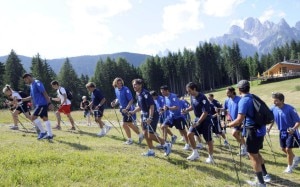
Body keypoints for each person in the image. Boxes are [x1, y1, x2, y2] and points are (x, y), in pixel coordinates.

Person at [227, 80, 270, 187]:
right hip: (260, 129)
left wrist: (227, 125)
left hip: (253, 131)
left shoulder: (244, 100)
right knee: (256, 153)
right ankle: (265, 175)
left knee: (253, 156)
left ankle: (261, 183)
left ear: (239, 89)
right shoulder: (253, 96)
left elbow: (239, 119)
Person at [128, 79, 171, 157]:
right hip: (144, 116)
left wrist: (150, 118)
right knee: (145, 133)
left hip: (152, 115)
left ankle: (166, 144)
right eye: (133, 84)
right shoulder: (137, 94)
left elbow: (151, 106)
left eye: (136, 84)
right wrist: (133, 112)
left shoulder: (145, 93)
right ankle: (151, 151)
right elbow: (140, 106)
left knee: (150, 135)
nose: (134, 86)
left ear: (140, 85)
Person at [268, 92, 300, 173]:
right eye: (273, 101)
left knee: (288, 149)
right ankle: (295, 158)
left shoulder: (290, 109)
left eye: (276, 101)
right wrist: (270, 127)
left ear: (282, 100)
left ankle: (289, 168)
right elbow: (272, 118)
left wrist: (293, 129)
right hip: (281, 131)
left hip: (291, 132)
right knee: (283, 148)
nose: (274, 102)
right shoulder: (273, 108)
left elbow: (298, 122)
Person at [183, 82, 214, 163]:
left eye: (189, 91)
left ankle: (210, 157)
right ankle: (195, 153)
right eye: (187, 91)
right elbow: (192, 106)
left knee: (208, 140)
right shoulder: (192, 97)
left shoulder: (202, 97)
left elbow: (205, 112)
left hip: (206, 120)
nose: (188, 93)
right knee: (189, 134)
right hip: (197, 119)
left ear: (194, 89)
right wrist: (186, 110)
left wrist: (198, 122)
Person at [111, 77, 144, 145]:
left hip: (128, 109)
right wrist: (114, 102)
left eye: (121, 83)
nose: (120, 84)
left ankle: (130, 140)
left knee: (124, 124)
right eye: (118, 83)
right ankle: (140, 135)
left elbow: (131, 100)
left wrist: (127, 108)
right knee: (129, 124)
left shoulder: (125, 89)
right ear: (115, 84)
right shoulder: (116, 89)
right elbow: (118, 98)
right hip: (122, 110)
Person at [22, 73, 54, 140]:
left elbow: (44, 92)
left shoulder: (37, 83)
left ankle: (43, 132)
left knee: (33, 117)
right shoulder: (31, 85)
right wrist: (22, 99)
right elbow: (31, 97)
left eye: (25, 80)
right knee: (45, 118)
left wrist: (49, 103)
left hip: (42, 104)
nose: (26, 82)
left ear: (28, 77)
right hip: (39, 105)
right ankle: (50, 135)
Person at [160, 85, 189, 150]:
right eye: (161, 92)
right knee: (163, 126)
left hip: (178, 116)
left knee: (183, 131)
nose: (162, 93)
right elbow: (166, 106)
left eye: (163, 92)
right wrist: (163, 109)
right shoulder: (165, 97)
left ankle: (187, 144)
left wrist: (168, 108)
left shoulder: (173, 96)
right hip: (171, 116)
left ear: (167, 91)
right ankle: (164, 143)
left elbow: (176, 107)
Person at [224, 87, 247, 156]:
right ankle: (244, 147)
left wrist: (243, 121)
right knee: (237, 134)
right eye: (226, 93)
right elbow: (225, 109)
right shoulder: (227, 100)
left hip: (240, 120)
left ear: (232, 92)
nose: (227, 94)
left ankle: (244, 148)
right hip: (234, 121)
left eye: (228, 93)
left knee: (237, 134)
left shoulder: (239, 99)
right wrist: (219, 109)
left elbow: (244, 110)